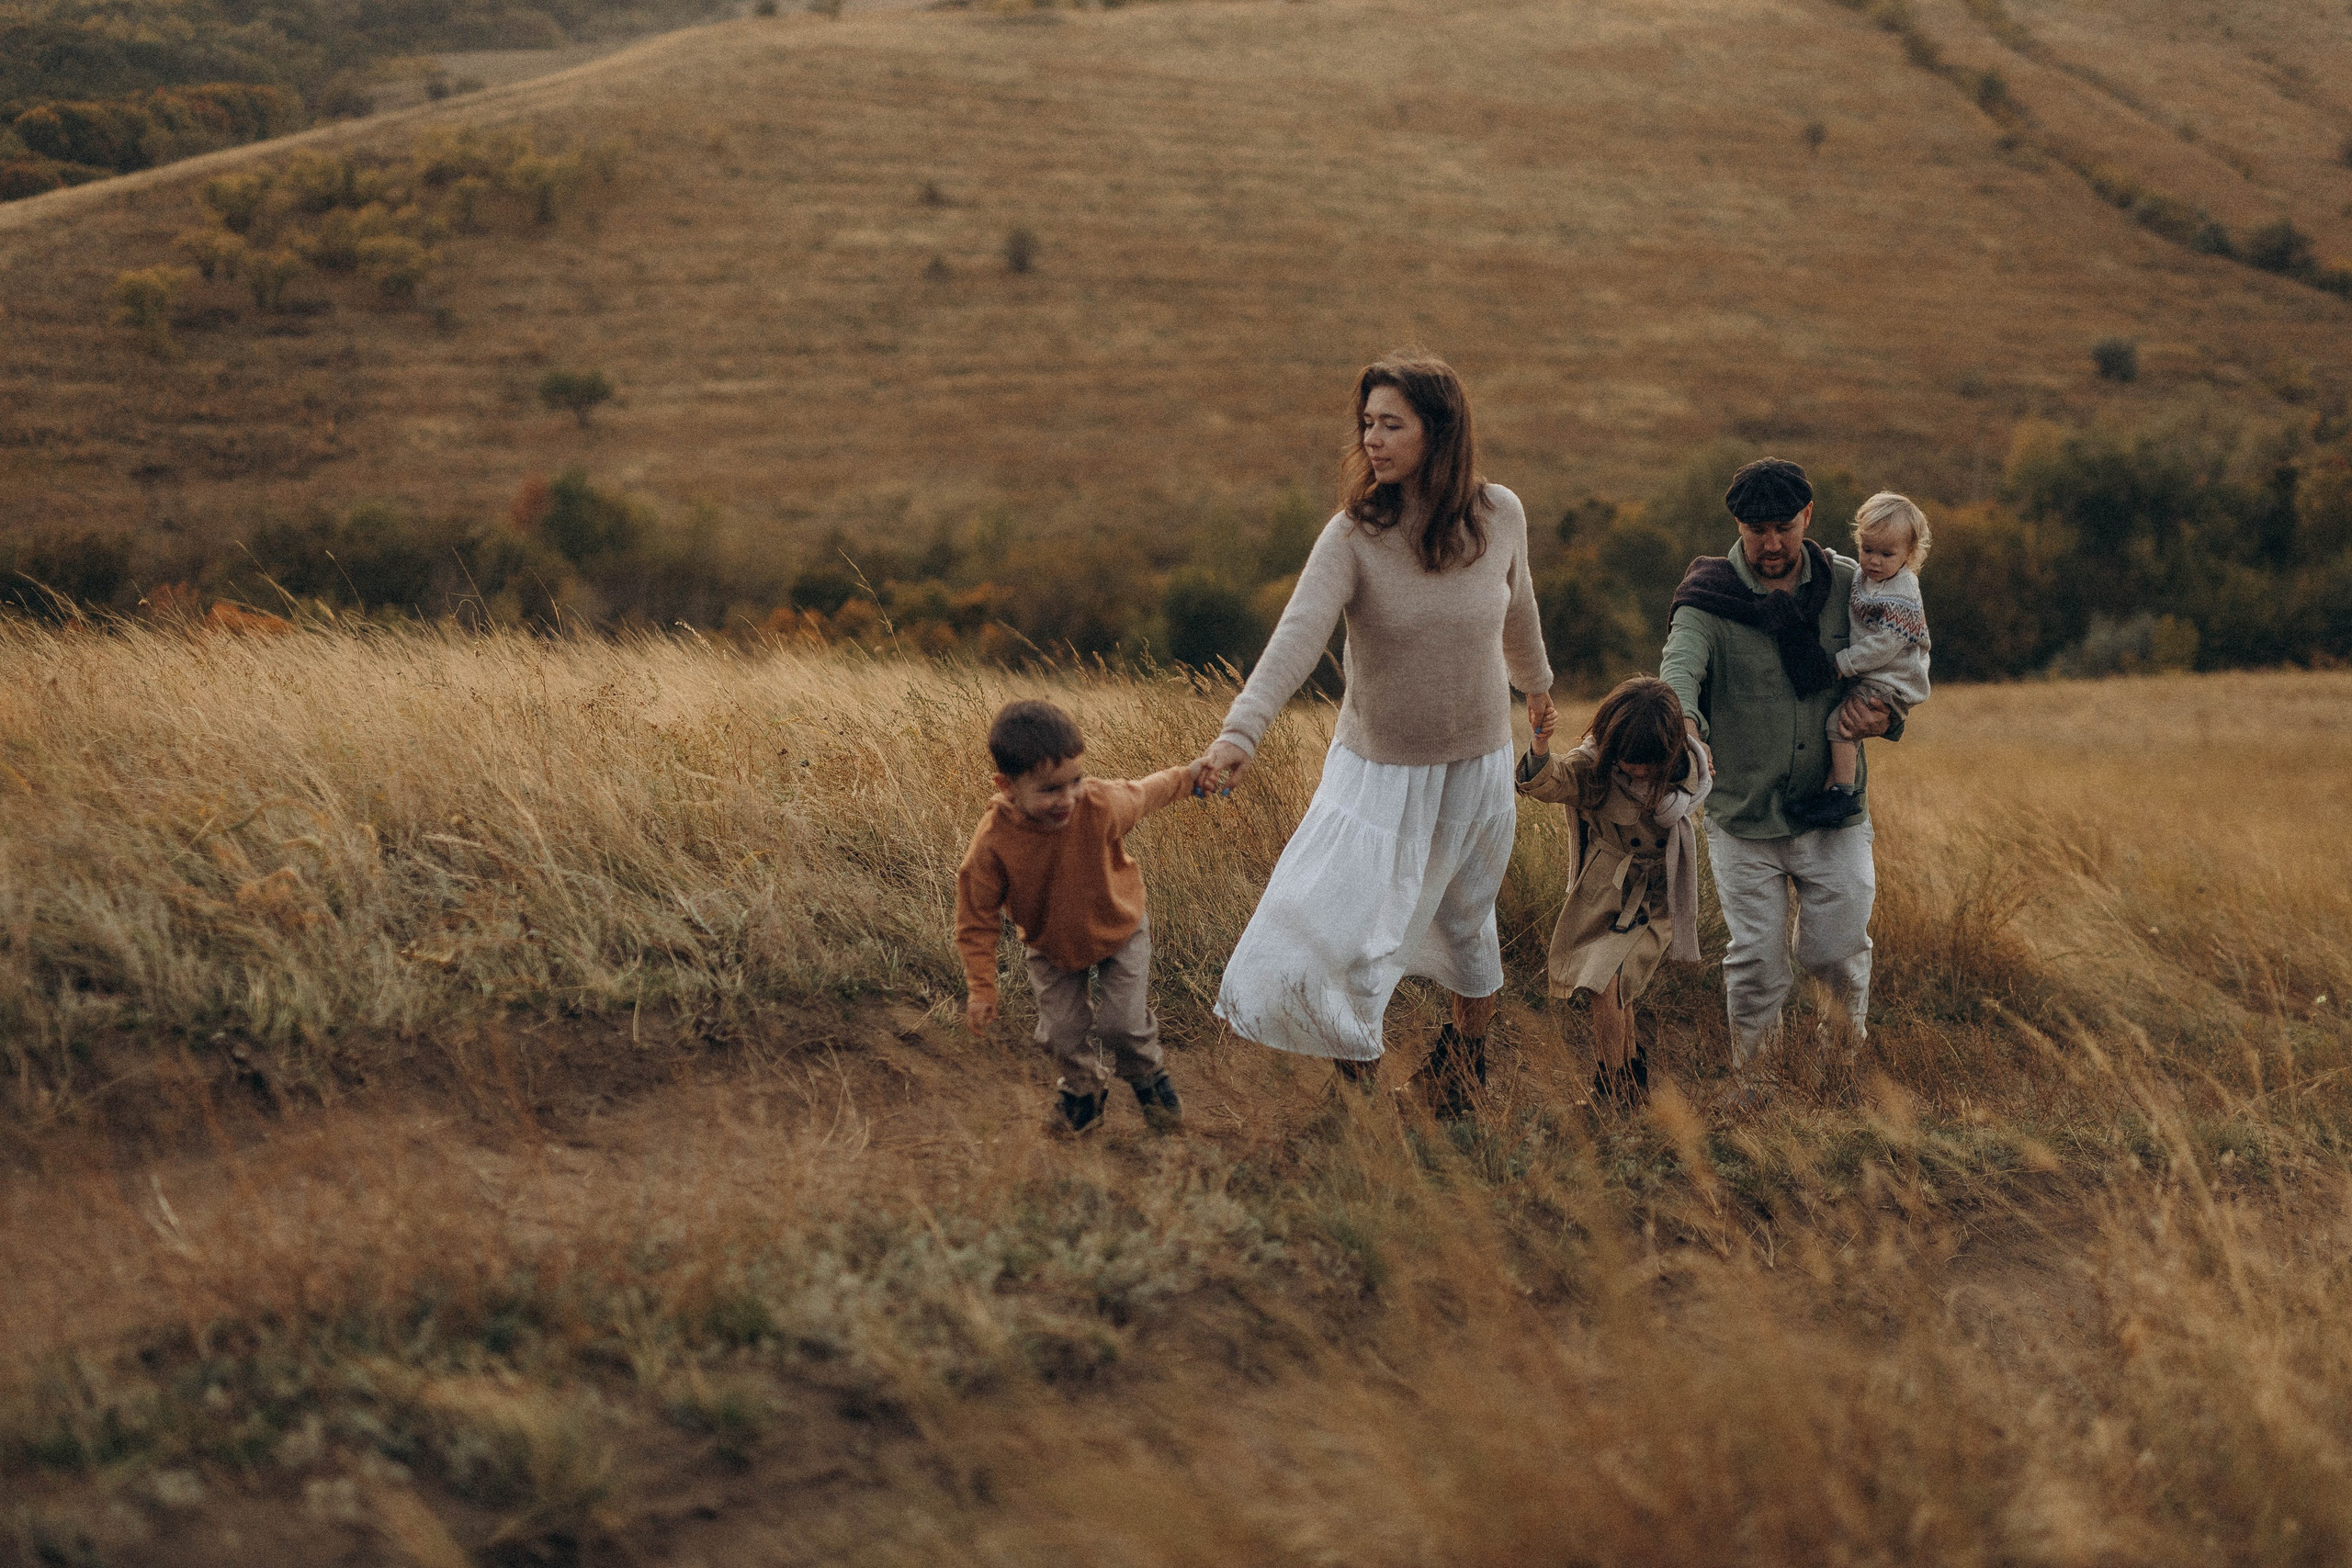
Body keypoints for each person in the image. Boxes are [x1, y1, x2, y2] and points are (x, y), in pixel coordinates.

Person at [1193, 353, 1555, 1116]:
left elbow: (1518, 610)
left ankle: (1463, 1066)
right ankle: (1351, 1079)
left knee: (1465, 920)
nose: (1373, 441)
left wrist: (1540, 688)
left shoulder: (1501, 514)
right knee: (1346, 929)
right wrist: (1240, 733)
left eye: (1392, 424)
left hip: (1478, 766)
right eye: (1367, 425)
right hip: (1380, 772)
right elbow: (1297, 638)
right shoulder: (1353, 535)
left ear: (1440, 430)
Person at [1658, 457, 1900, 1087]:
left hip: (1833, 808)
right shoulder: (1709, 598)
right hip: (1743, 813)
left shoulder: (1852, 585)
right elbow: (1679, 671)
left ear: (1808, 518)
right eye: (1756, 530)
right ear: (1737, 525)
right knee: (1758, 962)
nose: (1771, 544)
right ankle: (1757, 1085)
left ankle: (1840, 1069)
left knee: (1838, 952)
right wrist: (1685, 728)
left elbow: (1902, 652)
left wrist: (1887, 714)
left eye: (1784, 528)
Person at [956, 699, 1197, 1133]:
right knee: (1062, 1034)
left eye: (1075, 781)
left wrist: (1194, 775)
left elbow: (1148, 792)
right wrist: (981, 988)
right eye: (1050, 789)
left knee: (1122, 1025)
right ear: (1006, 786)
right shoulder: (993, 842)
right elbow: (977, 919)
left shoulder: (1099, 804)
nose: (1067, 798)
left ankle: (1147, 1077)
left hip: (1119, 925)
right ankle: (1084, 1093)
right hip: (1050, 944)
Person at [1513, 678, 1713, 1107]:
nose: (1639, 772)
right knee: (1608, 986)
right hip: (1605, 891)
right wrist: (1541, 745)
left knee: (1607, 985)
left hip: (1657, 895)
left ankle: (1612, 1088)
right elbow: (1553, 781)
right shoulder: (1594, 769)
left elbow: (1698, 769)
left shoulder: (1686, 770)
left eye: (1648, 763)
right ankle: (1628, 1079)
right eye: (1628, 761)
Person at [1790, 492, 1933, 829]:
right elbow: (1851, 570)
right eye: (1867, 550)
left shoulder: (1903, 592)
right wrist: (1821, 556)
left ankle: (1842, 795)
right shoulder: (1866, 576)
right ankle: (1832, 796)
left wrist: (1844, 663)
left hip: (1892, 681)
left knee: (1839, 726)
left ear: (1909, 555)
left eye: (1887, 554)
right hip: (1874, 677)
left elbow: (1885, 645)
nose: (1874, 561)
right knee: (1844, 731)